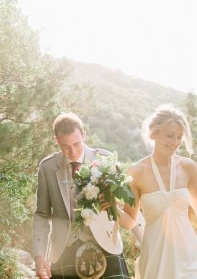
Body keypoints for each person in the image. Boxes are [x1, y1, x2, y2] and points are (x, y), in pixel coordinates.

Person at [124, 104, 197, 279]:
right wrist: (110, 208)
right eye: (170, 135)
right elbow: (130, 220)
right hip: (155, 257)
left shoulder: (187, 167)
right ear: (154, 133)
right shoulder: (136, 172)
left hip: (189, 254)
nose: (175, 142)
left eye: (179, 137)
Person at [33, 112, 136, 279]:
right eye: (65, 146)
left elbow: (123, 206)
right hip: (64, 250)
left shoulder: (105, 160)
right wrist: (39, 255)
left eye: (76, 143)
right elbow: (42, 215)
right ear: (56, 140)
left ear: (84, 135)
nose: (72, 151)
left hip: (106, 245)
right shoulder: (47, 168)